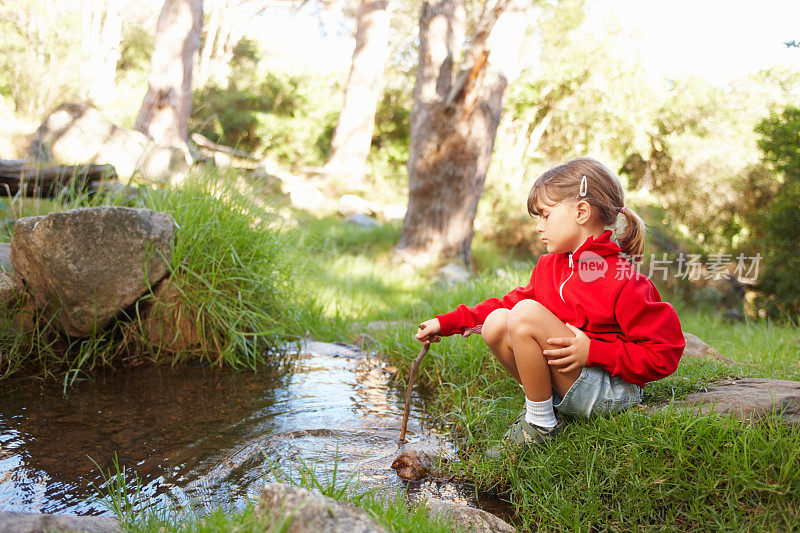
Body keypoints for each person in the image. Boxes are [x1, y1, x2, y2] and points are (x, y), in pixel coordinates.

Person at [415, 157, 685, 450]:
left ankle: (540, 425)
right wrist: (448, 323)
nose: (539, 227)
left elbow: (664, 354)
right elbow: (508, 304)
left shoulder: (625, 281)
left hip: (611, 392)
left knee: (525, 314)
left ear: (582, 211)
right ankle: (544, 410)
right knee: (496, 322)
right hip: (573, 383)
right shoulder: (551, 266)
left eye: (545, 215)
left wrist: (594, 351)